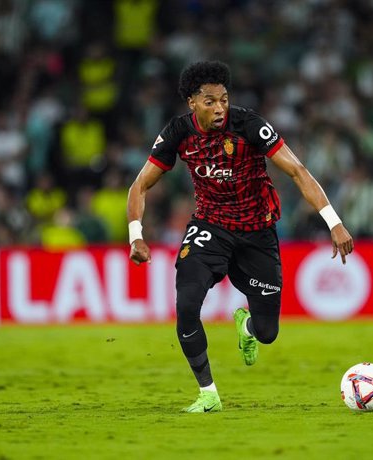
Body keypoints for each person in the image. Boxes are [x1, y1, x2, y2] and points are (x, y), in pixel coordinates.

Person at [126, 61, 354, 413]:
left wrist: (333, 221)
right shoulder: (177, 134)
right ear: (192, 103)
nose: (219, 108)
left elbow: (297, 170)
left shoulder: (249, 125)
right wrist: (135, 235)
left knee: (268, 333)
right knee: (186, 304)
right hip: (210, 227)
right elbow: (140, 185)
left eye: (224, 99)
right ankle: (208, 393)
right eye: (209, 101)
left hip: (257, 232)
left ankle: (246, 325)